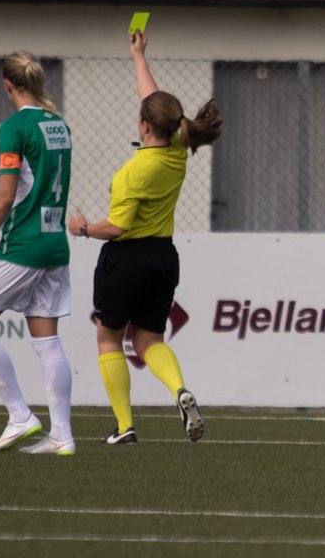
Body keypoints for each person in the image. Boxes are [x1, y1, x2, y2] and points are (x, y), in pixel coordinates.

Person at [68, 29, 221, 445]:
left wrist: (81, 228)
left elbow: (116, 228)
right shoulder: (176, 150)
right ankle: (180, 390)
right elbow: (155, 103)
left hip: (127, 259)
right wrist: (139, 57)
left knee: (108, 337)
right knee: (150, 338)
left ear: (143, 125)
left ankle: (124, 426)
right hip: (163, 258)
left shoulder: (133, 171)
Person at [0, 51, 75, 456]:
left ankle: (20, 416)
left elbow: (7, 194)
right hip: (55, 244)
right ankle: (62, 435)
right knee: (47, 342)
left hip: (22, 244)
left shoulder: (13, 128)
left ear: (7, 84)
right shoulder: (59, 124)